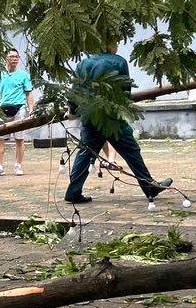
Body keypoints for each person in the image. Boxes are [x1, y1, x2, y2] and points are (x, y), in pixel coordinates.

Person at [64, 44, 172, 205]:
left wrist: (72, 111)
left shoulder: (83, 63)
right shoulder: (119, 62)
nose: (117, 46)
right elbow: (125, 90)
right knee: (132, 151)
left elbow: (75, 91)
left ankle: (73, 192)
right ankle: (149, 186)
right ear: (108, 43)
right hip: (113, 117)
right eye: (116, 43)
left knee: (85, 153)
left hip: (90, 116)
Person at [0, 49, 34, 177]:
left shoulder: (23, 75)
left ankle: (18, 165)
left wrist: (31, 110)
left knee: (19, 138)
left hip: (19, 108)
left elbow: (29, 93)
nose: (14, 59)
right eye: (11, 56)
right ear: (6, 58)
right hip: (2, 109)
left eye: (16, 57)